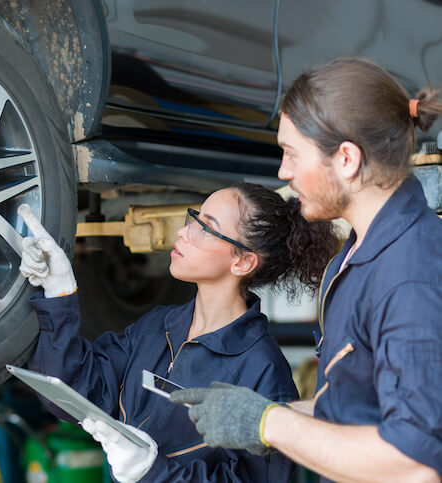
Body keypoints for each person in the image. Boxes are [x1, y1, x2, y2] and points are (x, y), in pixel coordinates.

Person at [170, 57, 442, 482]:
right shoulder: (354, 257)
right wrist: (265, 412)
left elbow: (413, 465)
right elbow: (355, 408)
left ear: (347, 159)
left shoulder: (410, 275)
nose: (283, 171)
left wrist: (268, 424)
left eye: (292, 154)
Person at [15, 180, 340, 482]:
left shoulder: (263, 371)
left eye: (206, 228)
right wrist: (58, 292)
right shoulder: (157, 327)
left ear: (242, 262)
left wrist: (152, 471)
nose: (184, 233)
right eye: (194, 218)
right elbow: (75, 393)